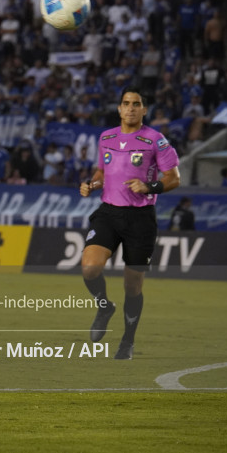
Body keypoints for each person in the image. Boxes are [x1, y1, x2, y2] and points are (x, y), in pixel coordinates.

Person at [79, 87, 180, 360]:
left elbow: (173, 178)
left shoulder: (156, 140)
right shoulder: (106, 137)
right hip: (109, 213)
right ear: (119, 108)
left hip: (140, 218)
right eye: (126, 103)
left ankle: (127, 341)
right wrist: (91, 184)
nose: (131, 108)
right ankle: (104, 306)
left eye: (136, 104)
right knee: (89, 268)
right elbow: (102, 172)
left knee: (132, 287)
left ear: (144, 110)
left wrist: (149, 186)